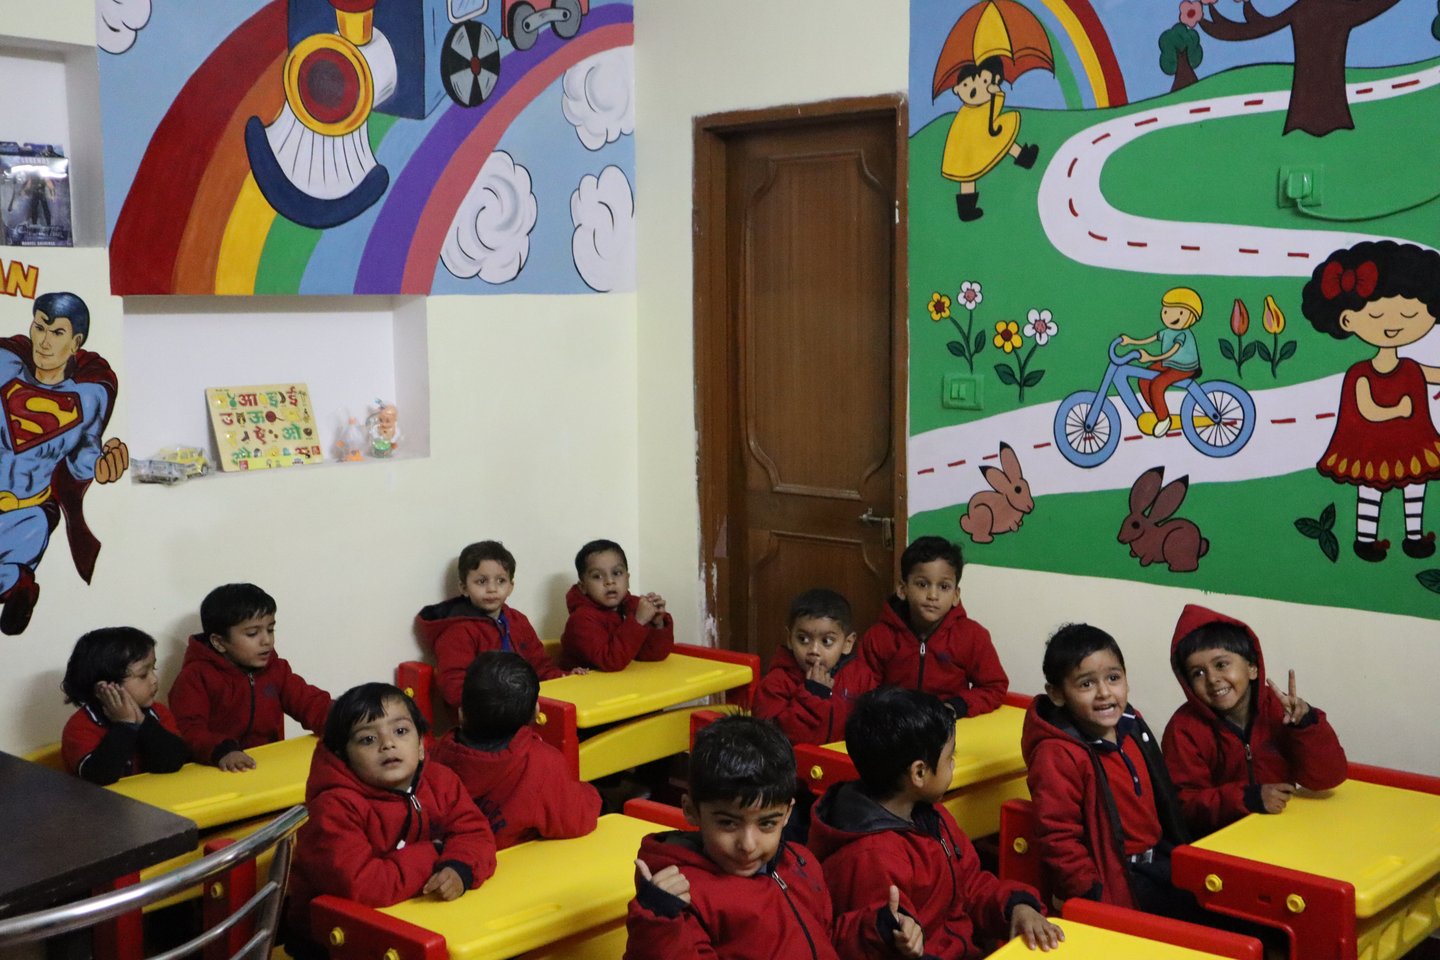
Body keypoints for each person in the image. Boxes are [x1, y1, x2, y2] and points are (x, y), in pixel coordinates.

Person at [811, 687, 1059, 959]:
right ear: (919, 773)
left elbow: (970, 885)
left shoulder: (929, 814)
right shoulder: (871, 857)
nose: (953, 765)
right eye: (950, 757)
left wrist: (1016, 905)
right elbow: (879, 946)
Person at [284, 683, 496, 960]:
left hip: (418, 919)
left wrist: (459, 867)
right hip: (332, 943)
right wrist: (436, 853)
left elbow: (476, 834)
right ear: (343, 756)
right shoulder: (333, 808)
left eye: (401, 731)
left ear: (421, 745)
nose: (388, 744)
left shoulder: (441, 781)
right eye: (367, 739)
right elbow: (364, 886)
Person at [624, 716, 839, 960]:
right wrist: (658, 928)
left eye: (767, 824)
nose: (748, 845)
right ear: (690, 810)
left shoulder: (801, 862)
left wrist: (872, 928)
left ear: (787, 813)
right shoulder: (681, 897)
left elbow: (826, 939)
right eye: (728, 823)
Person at [1020, 624, 1194, 916]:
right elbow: (1057, 836)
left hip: (1157, 860)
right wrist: (1089, 892)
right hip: (1114, 880)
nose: (1104, 693)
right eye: (1086, 684)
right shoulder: (1057, 754)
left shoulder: (1132, 725)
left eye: (1113, 678)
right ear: (1057, 694)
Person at [1301, 240, 1440, 562]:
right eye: (1376, 314)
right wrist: (1398, 409)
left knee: (1416, 486)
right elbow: (1367, 409)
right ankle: (1365, 539)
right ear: (1347, 320)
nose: (1394, 323)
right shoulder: (1360, 373)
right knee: (1370, 491)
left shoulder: (1412, 368)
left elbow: (1433, 374)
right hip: (1372, 447)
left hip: (1412, 443)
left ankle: (1414, 537)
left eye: (1410, 314)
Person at [0, 292, 128, 635]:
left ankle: (18, 586)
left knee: (11, 567)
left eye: (57, 332)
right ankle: (17, 585)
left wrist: (102, 466)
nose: (44, 341)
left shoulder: (89, 395)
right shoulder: (5, 365)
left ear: (76, 342)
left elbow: (83, 456)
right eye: (40, 327)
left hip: (27, 513)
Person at [1163, 604, 1347, 836]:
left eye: (1221, 665)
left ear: (1252, 668)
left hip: (1286, 832)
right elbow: (1184, 806)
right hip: (1221, 843)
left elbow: (1329, 778)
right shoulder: (1183, 730)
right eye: (1197, 673)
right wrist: (1247, 799)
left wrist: (1306, 725)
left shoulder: (1280, 710)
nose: (1212, 679)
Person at [429, 651, 601, 848]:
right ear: (536, 712)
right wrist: (591, 793)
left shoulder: (437, 753)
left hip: (456, 858)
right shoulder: (543, 764)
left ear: (461, 714)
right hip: (517, 863)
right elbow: (577, 820)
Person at [168, 583, 332, 770]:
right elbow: (188, 729)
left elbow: (309, 702)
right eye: (252, 633)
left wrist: (344, 719)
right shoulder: (195, 677)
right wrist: (222, 751)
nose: (267, 640)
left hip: (266, 767)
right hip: (216, 771)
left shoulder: (276, 669)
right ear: (219, 642)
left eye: (270, 630)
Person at [416, 540, 580, 709]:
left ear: (510, 586)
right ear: (464, 587)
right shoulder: (457, 631)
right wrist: (491, 705)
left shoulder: (518, 621)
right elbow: (453, 685)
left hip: (522, 705)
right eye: (481, 581)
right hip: (481, 714)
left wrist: (564, 677)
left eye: (501, 581)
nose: (492, 589)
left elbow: (540, 666)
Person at [859, 536, 1008, 717]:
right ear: (902, 589)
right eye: (922, 584)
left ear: (956, 595)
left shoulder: (972, 636)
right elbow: (861, 689)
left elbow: (994, 687)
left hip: (948, 725)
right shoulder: (878, 637)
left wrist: (956, 707)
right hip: (894, 725)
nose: (933, 595)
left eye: (944, 587)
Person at [60, 626, 189, 784]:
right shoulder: (80, 727)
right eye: (143, 675)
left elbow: (174, 761)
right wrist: (125, 724)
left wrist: (141, 721)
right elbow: (99, 777)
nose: (154, 679)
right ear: (105, 687)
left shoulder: (158, 713)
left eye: (153, 669)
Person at [754, 588, 876, 746]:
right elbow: (774, 741)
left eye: (827, 641)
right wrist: (813, 694)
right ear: (789, 639)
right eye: (803, 639)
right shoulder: (776, 683)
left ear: (847, 643)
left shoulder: (860, 676)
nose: (814, 650)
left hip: (844, 760)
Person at [940, 54, 1039, 222]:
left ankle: (1024, 157)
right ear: (957, 90)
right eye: (965, 85)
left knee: (1004, 137)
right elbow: (958, 136)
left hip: (986, 138)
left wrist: (996, 93)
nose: (972, 90)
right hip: (968, 150)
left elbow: (995, 110)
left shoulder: (983, 104)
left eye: (979, 83)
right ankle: (966, 209)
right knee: (967, 175)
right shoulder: (966, 112)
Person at [562, 539, 673, 671]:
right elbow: (610, 661)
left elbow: (653, 655)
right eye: (597, 576)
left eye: (617, 573)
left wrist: (657, 624)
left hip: (622, 681)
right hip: (584, 682)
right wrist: (638, 621)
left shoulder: (632, 606)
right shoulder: (581, 620)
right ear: (583, 587)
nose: (610, 581)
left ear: (627, 579)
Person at [1118, 287, 1203, 438]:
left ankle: (1164, 419)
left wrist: (1151, 358)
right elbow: (1150, 339)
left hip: (1184, 367)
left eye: (1180, 312)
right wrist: (1131, 341)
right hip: (1169, 364)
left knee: (1157, 384)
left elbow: (1172, 352)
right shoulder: (1167, 331)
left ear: (1191, 317)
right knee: (1144, 379)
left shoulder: (1182, 334)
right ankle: (1159, 411)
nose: (1170, 316)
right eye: (1166, 311)